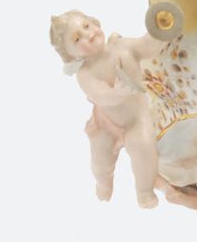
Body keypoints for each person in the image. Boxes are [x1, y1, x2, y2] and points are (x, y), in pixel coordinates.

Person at [50, 11, 164, 208]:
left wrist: (161, 30)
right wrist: (116, 93)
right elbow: (100, 95)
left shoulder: (124, 47)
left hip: (137, 119)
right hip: (106, 123)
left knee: (144, 148)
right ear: (71, 55)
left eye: (87, 26)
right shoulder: (85, 74)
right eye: (77, 39)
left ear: (95, 23)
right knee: (100, 161)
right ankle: (104, 183)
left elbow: (147, 46)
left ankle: (144, 191)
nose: (88, 35)